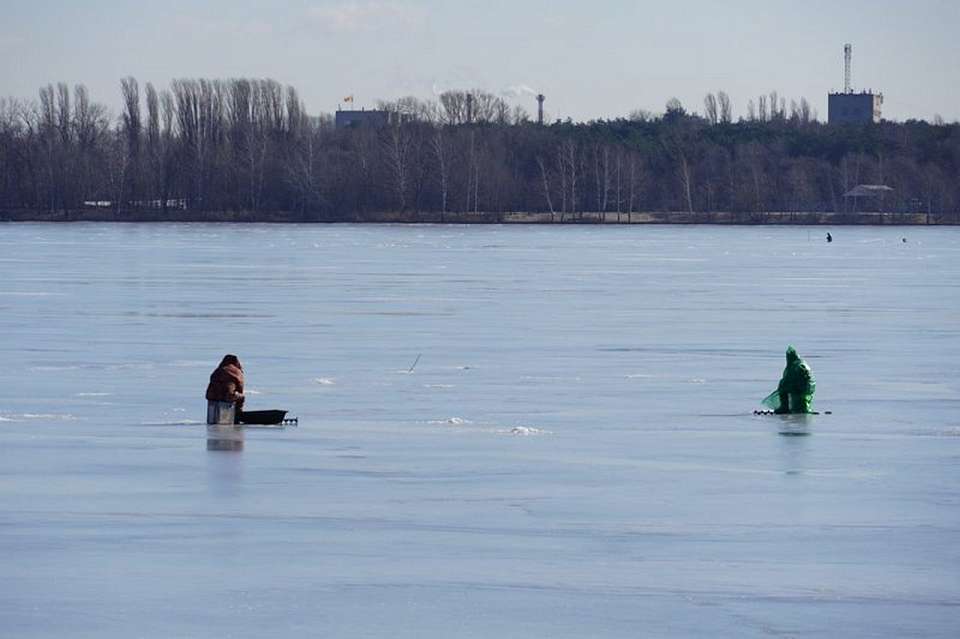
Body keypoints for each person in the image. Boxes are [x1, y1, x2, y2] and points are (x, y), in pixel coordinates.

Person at [762, 346, 816, 414]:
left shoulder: (795, 365)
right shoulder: (800, 364)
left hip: (800, 386)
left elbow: (788, 378)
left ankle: (785, 408)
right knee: (803, 399)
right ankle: (802, 409)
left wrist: (783, 385)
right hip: (807, 386)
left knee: (784, 390)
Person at [206, 354, 245, 423]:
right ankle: (238, 415)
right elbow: (240, 389)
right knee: (241, 397)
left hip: (212, 397)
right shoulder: (237, 372)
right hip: (227, 397)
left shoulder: (217, 371)